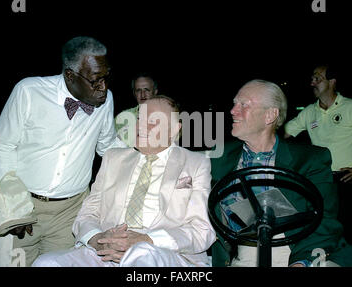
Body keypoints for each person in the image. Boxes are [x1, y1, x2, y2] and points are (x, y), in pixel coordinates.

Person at [0, 36, 126, 266]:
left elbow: (108, 146)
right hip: (25, 207)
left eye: (106, 77)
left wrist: (149, 154)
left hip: (70, 212)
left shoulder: (105, 100)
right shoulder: (29, 91)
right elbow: (3, 148)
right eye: (95, 80)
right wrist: (11, 208)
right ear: (70, 75)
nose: (104, 87)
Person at [32, 96, 216, 267]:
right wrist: (98, 239)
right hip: (107, 250)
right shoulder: (113, 158)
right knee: (46, 262)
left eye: (152, 122)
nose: (141, 128)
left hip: (163, 252)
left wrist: (146, 240)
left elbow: (202, 231)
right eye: (139, 119)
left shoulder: (196, 163)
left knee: (142, 255)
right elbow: (87, 214)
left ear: (175, 128)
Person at [210, 79, 352, 267]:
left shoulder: (310, 159)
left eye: (243, 105)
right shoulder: (219, 156)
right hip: (247, 251)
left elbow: (325, 220)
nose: (232, 111)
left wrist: (302, 261)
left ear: (270, 115)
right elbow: (178, 161)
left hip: (300, 248)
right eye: (234, 104)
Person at [284, 64, 352, 244]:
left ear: (332, 82)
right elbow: (285, 136)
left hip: (347, 179)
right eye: (312, 79)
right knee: (320, 227)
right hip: (319, 179)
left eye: (317, 79)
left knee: (345, 230)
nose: (312, 83)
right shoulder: (309, 112)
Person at [115, 73, 158, 147]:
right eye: (138, 90)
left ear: (155, 92)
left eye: (147, 90)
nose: (143, 95)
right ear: (134, 93)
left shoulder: (167, 115)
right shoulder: (122, 117)